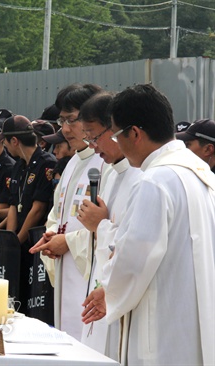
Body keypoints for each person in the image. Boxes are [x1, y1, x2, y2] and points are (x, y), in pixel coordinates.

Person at [81, 84, 215, 365]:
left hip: (162, 323)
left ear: (134, 133)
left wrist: (110, 293)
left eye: (116, 134)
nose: (117, 143)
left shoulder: (154, 181)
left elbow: (135, 256)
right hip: (197, 316)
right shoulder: (201, 174)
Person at [29, 83, 106, 340]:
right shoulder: (73, 162)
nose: (65, 129)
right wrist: (51, 235)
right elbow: (57, 213)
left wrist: (69, 242)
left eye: (71, 120)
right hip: (66, 264)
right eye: (61, 120)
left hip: (88, 271)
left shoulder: (105, 162)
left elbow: (111, 226)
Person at [74, 92, 142, 360]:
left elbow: (135, 246)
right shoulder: (112, 173)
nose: (91, 146)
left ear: (114, 128)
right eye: (87, 139)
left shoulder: (141, 177)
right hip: (100, 287)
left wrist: (99, 225)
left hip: (119, 296)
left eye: (93, 136)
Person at [0, 115, 56, 243]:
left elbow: (38, 209)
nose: (4, 144)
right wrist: (10, 238)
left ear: (15, 141)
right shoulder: (18, 165)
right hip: (18, 240)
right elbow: (13, 206)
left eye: (5, 140)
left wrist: (18, 240)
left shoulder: (46, 164)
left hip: (35, 240)